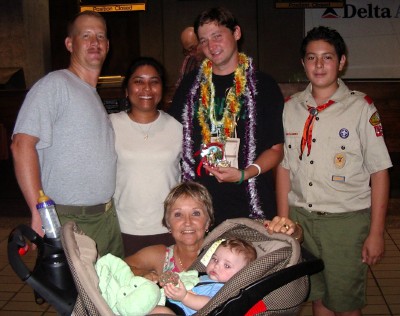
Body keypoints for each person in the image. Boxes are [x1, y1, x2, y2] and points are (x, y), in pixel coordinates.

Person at [275, 26, 392, 316]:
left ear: (341, 62)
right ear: (303, 63)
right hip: (302, 219)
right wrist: (283, 222)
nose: (319, 65)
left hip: (345, 223)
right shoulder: (291, 108)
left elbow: (379, 172)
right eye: (311, 58)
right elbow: (284, 167)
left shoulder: (361, 107)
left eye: (327, 57)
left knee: (346, 303)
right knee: (317, 296)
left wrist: (376, 232)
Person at [11, 11, 124, 258]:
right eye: (86, 35)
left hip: (104, 217)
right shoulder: (55, 85)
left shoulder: (91, 94)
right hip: (69, 219)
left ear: (107, 45)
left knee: (108, 295)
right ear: (70, 43)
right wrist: (39, 212)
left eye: (100, 36)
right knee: (73, 297)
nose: (94, 42)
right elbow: (21, 144)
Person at [169, 7, 285, 226]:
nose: (211, 47)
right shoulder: (190, 85)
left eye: (217, 36)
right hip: (201, 208)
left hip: (251, 204)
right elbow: (171, 135)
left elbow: (276, 150)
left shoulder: (263, 86)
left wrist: (243, 174)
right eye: (203, 41)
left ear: (237, 33)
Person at [125, 181, 301, 283]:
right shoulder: (160, 255)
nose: (187, 222)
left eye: (196, 213)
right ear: (168, 223)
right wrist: (145, 275)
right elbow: (118, 266)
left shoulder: (227, 248)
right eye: (178, 214)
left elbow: (287, 241)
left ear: (208, 221)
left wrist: (289, 229)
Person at [109, 57, 182, 256]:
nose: (147, 88)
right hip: (123, 228)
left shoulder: (177, 128)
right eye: (138, 81)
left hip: (169, 229)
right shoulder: (110, 125)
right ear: (126, 89)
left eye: (154, 81)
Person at [162, 237, 257, 315]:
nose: (216, 265)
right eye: (215, 259)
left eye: (227, 266)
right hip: (168, 302)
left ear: (240, 275)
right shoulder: (202, 276)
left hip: (179, 312)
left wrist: (185, 297)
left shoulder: (222, 288)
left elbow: (209, 304)